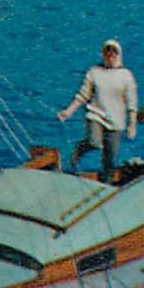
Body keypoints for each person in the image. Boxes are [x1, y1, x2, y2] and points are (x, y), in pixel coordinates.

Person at [58, 39, 138, 183]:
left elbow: (131, 103)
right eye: (107, 52)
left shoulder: (126, 75)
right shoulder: (94, 72)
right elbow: (83, 95)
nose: (110, 55)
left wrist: (132, 124)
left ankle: (106, 184)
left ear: (118, 54)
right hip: (95, 114)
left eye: (113, 52)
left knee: (110, 158)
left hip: (116, 120)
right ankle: (79, 149)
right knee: (94, 141)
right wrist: (68, 111)